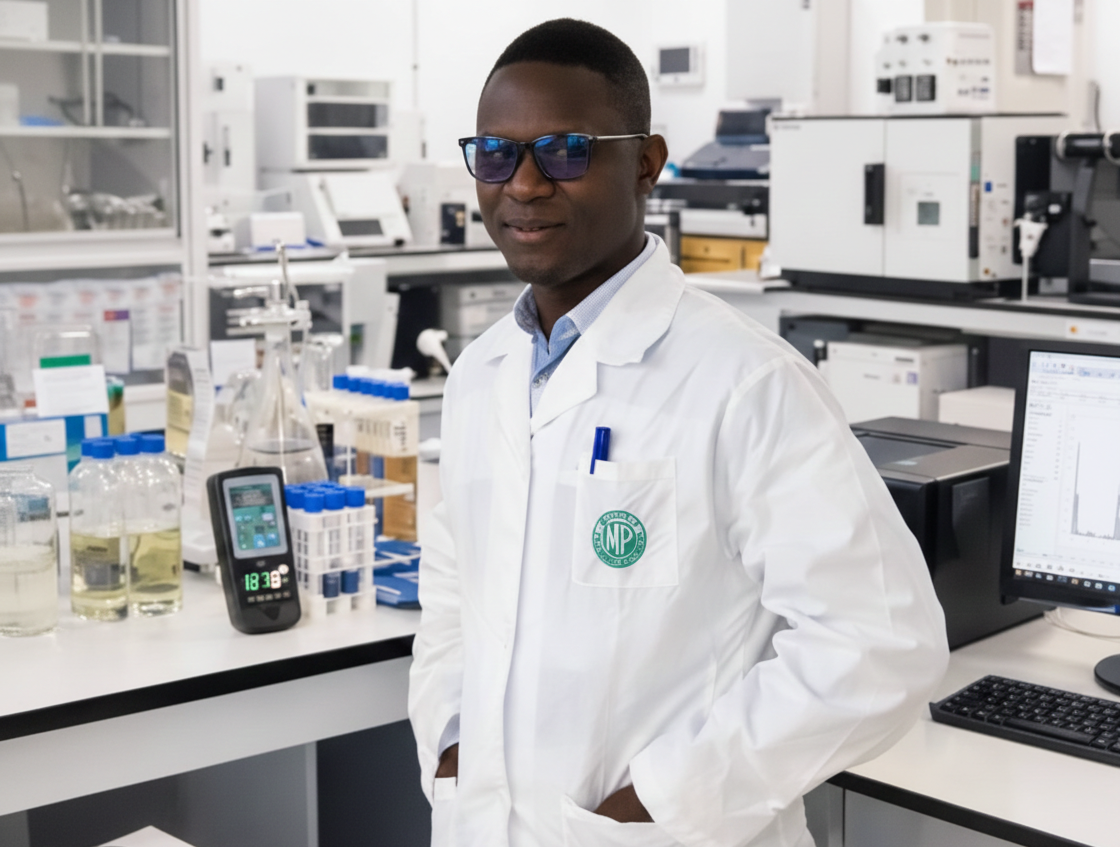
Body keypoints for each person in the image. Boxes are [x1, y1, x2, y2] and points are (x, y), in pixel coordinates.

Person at [408, 17, 949, 847]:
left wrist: (663, 800)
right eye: (495, 154)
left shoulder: (747, 382)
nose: (524, 183)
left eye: (566, 151)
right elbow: (455, 584)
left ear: (647, 163)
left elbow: (881, 643)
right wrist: (453, 742)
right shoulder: (481, 373)